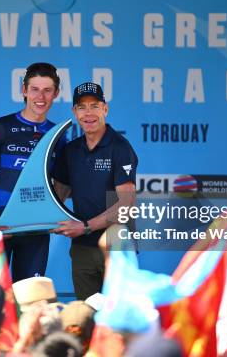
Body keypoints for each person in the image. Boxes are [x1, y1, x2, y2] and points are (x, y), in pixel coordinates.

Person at [0, 62, 60, 281]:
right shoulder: (2, 127)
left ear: (56, 93)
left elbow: (60, 185)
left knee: (31, 301)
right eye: (35, 89)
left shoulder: (56, 134)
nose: (41, 96)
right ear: (24, 90)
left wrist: (53, 215)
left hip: (35, 229)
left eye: (47, 90)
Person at [52, 82, 138, 300]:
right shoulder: (70, 151)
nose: (88, 113)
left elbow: (125, 207)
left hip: (115, 246)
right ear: (74, 112)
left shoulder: (120, 148)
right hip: (82, 247)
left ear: (105, 109)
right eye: (82, 107)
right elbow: (57, 196)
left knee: (118, 319)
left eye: (94, 106)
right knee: (86, 316)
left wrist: (86, 226)